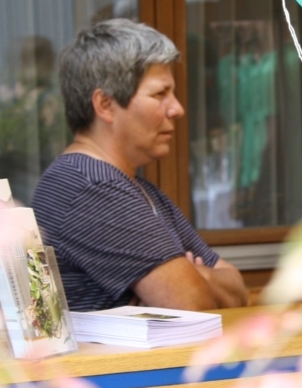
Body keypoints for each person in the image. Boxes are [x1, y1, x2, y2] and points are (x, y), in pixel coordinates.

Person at [32, 19, 249, 312]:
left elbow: (238, 292)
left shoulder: (132, 186)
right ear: (105, 105)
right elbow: (191, 304)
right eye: (160, 94)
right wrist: (194, 278)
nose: (177, 109)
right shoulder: (91, 186)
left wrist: (196, 276)